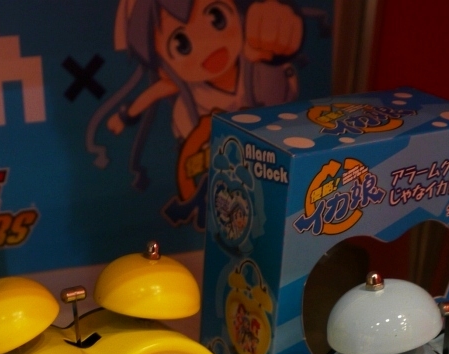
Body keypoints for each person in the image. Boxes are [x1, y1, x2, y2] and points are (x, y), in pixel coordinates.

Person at [87, 0, 302, 224]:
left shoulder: (256, 64)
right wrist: (125, 116)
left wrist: (276, 32)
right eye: (182, 44)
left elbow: (280, 100)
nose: (208, 43)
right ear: (162, 66)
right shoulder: (187, 108)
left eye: (217, 18)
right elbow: (156, 93)